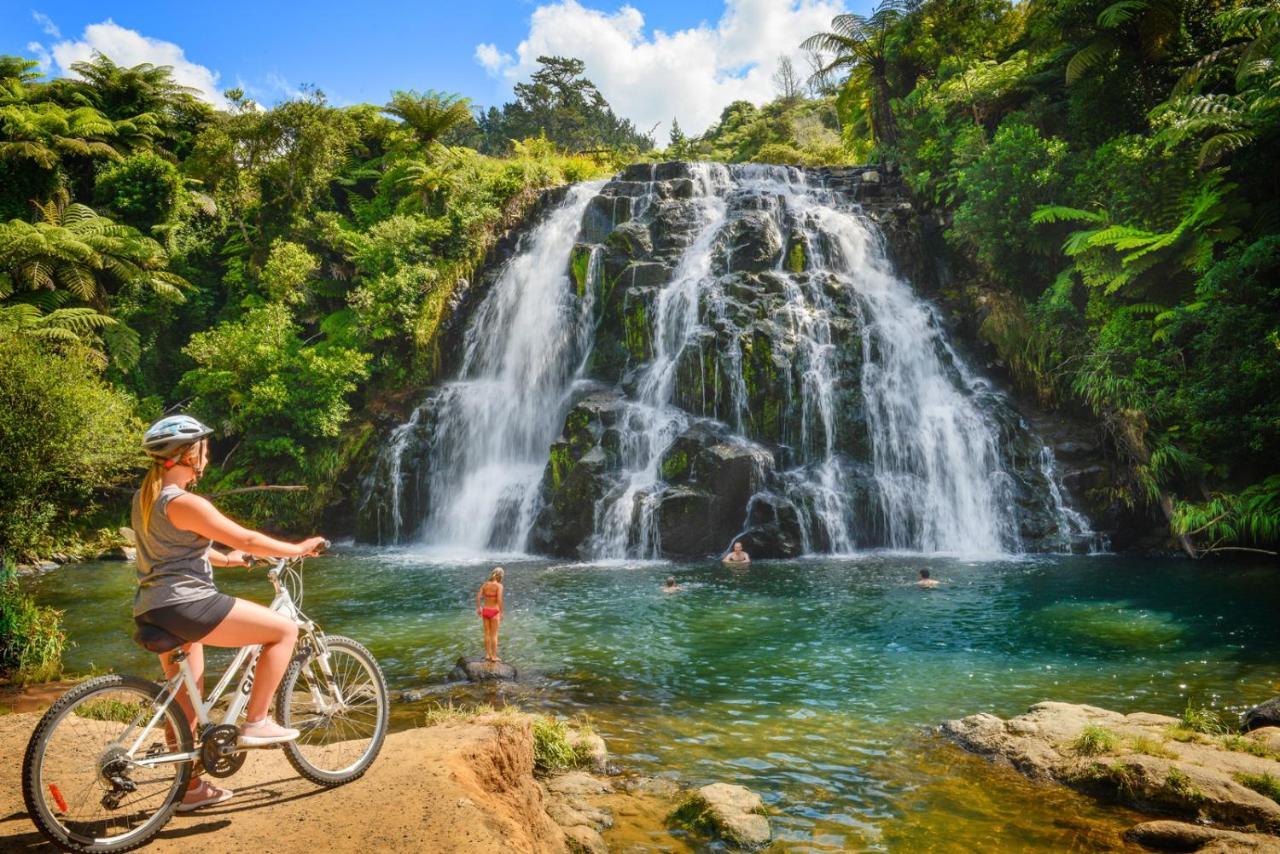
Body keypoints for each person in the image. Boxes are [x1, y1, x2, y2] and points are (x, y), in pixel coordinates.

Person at [132, 415, 327, 812]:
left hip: (154, 607)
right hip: (189, 603)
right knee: (284, 631)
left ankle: (189, 790)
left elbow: (178, 549)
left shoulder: (146, 499)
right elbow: (248, 537)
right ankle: (256, 720)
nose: (207, 453)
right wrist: (299, 548)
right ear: (188, 454)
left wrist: (228, 561)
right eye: (203, 447)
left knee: (186, 701)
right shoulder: (185, 501)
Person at [476, 567, 505, 662]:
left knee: (486, 634)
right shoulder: (499, 586)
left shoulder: (485, 584)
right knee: (494, 635)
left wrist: (479, 608)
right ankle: (494, 656)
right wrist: (501, 612)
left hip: (485, 611)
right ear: (500, 576)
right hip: (494, 611)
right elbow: (499, 600)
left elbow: (478, 597)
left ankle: (488, 655)